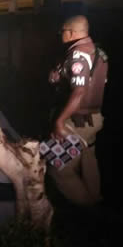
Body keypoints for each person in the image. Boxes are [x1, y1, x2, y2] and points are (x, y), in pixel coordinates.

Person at [47, 14, 108, 205]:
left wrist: (59, 121)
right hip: (94, 118)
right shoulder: (97, 52)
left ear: (71, 32)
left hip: (77, 121)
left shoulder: (78, 55)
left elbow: (79, 91)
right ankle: (95, 199)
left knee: (57, 168)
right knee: (88, 158)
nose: (60, 35)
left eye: (62, 32)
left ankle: (87, 207)